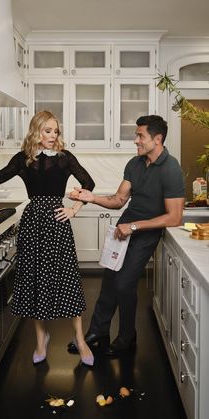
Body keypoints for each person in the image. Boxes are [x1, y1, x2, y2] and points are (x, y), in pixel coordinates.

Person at [0, 110, 95, 366]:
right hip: (32, 224)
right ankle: (42, 339)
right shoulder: (23, 159)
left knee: (67, 277)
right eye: (48, 130)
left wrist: (74, 209)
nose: (53, 135)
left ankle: (80, 339)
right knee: (34, 278)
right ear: (36, 131)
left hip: (57, 223)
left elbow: (88, 183)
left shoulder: (64, 158)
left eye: (56, 131)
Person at [68, 115, 185, 357]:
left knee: (124, 284)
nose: (135, 140)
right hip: (123, 228)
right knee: (109, 280)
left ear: (157, 138)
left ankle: (127, 337)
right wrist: (91, 197)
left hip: (145, 232)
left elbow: (174, 217)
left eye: (140, 135)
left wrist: (134, 227)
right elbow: (119, 200)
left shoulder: (171, 168)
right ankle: (98, 331)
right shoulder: (135, 163)